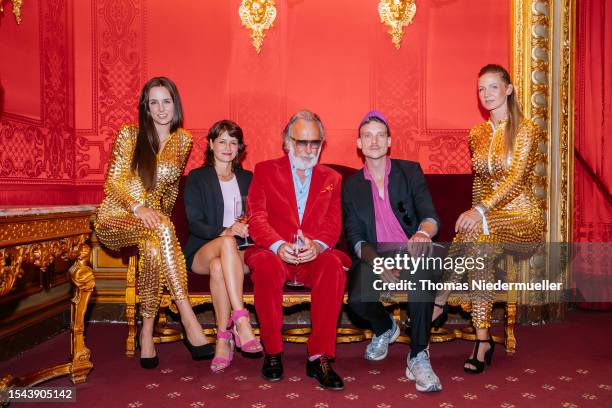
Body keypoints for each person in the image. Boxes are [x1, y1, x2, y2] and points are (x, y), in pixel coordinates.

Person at [94, 77, 214, 369]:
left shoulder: (183, 141)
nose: (161, 109)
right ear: (146, 108)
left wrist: (165, 226)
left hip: (152, 225)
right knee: (159, 230)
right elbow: (113, 182)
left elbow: (170, 189)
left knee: (152, 248)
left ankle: (146, 335)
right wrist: (137, 208)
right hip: (116, 217)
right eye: (154, 102)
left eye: (166, 101)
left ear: (176, 105)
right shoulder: (130, 135)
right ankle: (187, 317)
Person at [432, 64, 545, 374]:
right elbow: (480, 183)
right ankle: (483, 339)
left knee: (478, 233)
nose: (486, 94)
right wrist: (473, 216)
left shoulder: (527, 129)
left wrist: (479, 213)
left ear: (508, 89)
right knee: (478, 245)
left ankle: (439, 298)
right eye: (481, 89)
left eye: (493, 87)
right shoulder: (477, 134)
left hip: (523, 219)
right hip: (489, 222)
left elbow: (517, 180)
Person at [244, 110, 349, 390]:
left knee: (333, 267)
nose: (308, 149)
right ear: (286, 141)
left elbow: (333, 223)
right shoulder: (265, 170)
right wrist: (279, 246)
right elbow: (256, 218)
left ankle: (319, 357)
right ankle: (274, 352)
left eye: (315, 142)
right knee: (265, 266)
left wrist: (318, 246)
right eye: (301, 142)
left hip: (313, 256)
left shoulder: (332, 178)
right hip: (274, 252)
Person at [342, 111, 443, 393]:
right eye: (367, 135)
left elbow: (430, 215)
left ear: (389, 142)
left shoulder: (409, 171)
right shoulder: (350, 186)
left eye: (380, 135)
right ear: (359, 144)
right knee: (358, 299)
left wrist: (423, 232)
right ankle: (386, 326)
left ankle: (418, 355)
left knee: (424, 270)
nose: (374, 141)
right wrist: (376, 264)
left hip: (411, 249)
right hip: (375, 254)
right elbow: (354, 235)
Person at [183, 119, 263, 372]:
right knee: (225, 244)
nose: (228, 147)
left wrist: (249, 225)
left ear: (239, 148)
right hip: (202, 250)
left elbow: (260, 215)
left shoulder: (249, 178)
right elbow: (194, 222)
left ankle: (222, 339)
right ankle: (241, 320)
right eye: (222, 141)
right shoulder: (197, 178)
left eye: (233, 142)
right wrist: (225, 231)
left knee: (220, 267)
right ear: (211, 144)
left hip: (238, 254)